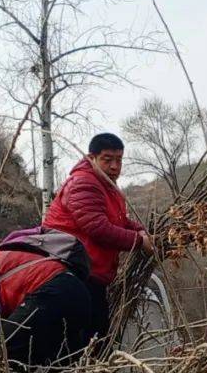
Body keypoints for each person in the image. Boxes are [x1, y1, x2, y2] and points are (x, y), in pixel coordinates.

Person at [42, 133, 153, 344]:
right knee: (83, 340)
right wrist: (140, 241)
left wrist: (141, 230)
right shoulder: (84, 183)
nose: (114, 166)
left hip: (91, 274)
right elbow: (97, 227)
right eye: (107, 159)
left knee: (97, 336)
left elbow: (119, 221)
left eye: (119, 160)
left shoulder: (107, 187)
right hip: (72, 273)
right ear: (92, 158)